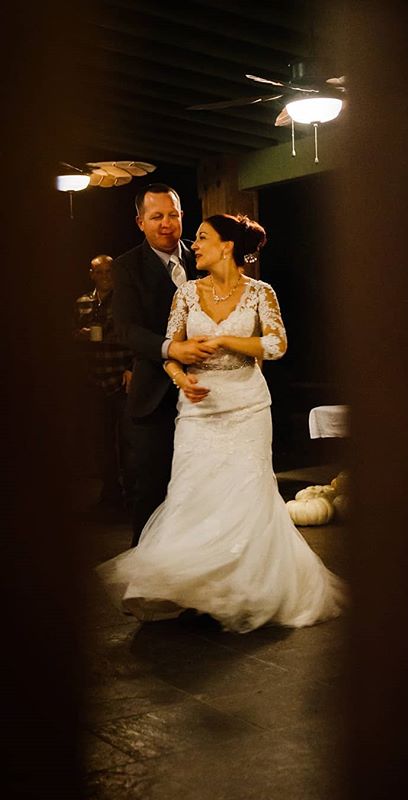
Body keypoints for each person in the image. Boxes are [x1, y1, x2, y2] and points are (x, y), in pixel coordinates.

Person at [98, 214, 346, 632]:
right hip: (198, 409)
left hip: (247, 405)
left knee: (246, 495)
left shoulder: (259, 293)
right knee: (195, 494)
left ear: (227, 246)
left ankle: (249, 587)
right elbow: (172, 350)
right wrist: (181, 379)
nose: (195, 244)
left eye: (204, 238)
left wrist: (228, 340)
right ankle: (197, 589)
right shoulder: (187, 295)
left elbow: (276, 344)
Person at [112, 183, 218, 546]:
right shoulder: (126, 267)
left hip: (208, 394)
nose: (166, 224)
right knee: (151, 489)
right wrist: (172, 349)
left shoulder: (204, 259)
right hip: (152, 397)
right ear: (141, 222)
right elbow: (126, 330)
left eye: (173, 214)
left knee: (202, 490)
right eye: (157, 216)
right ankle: (145, 581)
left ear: (183, 216)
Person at [73, 254, 135, 513]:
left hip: (121, 377)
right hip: (94, 377)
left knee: (128, 439)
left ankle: (132, 494)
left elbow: (137, 335)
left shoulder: (126, 301)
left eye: (110, 272)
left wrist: (132, 368)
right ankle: (110, 493)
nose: (106, 277)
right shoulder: (83, 303)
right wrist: (80, 335)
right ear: (92, 274)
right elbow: (70, 334)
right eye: (101, 272)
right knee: (101, 440)